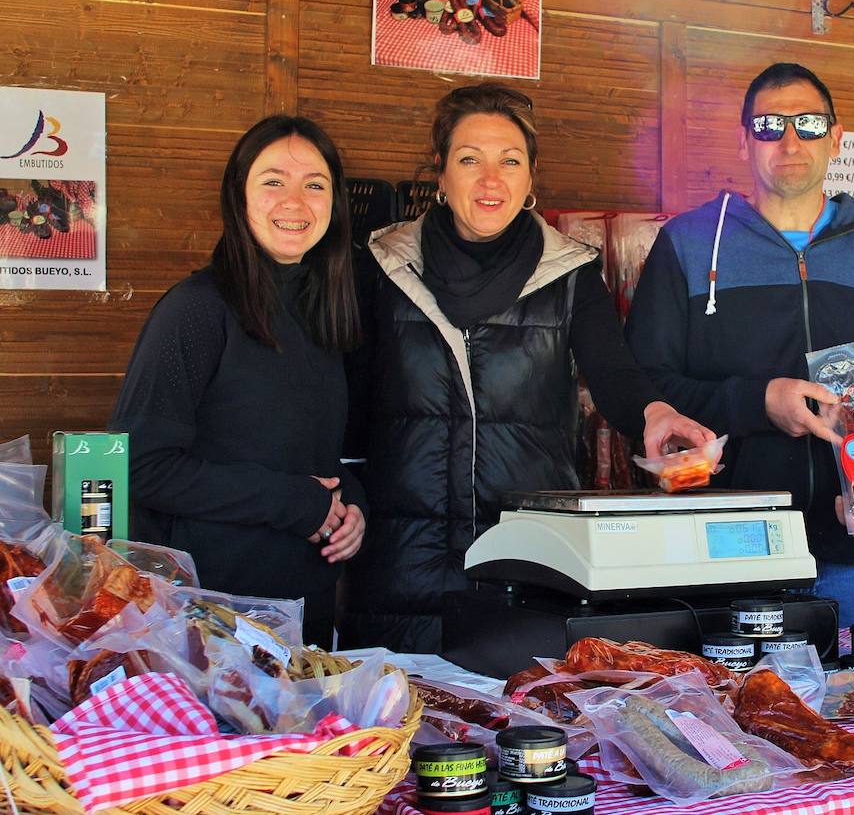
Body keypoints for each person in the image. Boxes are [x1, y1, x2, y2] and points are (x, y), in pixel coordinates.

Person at [340, 83, 712, 653]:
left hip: (526, 559)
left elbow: (614, 374)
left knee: (528, 728)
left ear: (530, 177)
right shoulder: (384, 266)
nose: (491, 180)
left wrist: (656, 415)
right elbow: (348, 400)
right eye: (470, 160)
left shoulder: (570, 273)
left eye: (509, 161)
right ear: (440, 175)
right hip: (400, 561)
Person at [625, 62, 854, 628]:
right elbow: (644, 385)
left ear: (836, 137)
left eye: (808, 123)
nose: (790, 140)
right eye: (770, 125)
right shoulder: (689, 242)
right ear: (744, 140)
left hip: (851, 550)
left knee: (849, 710)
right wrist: (758, 403)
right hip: (721, 544)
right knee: (722, 707)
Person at [110, 115, 365, 648]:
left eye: (314, 185)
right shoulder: (199, 309)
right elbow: (140, 467)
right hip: (209, 622)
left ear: (334, 204)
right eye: (273, 181)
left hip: (303, 618)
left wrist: (352, 508)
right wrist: (292, 501)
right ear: (239, 196)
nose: (295, 202)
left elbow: (316, 460)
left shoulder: (326, 315)